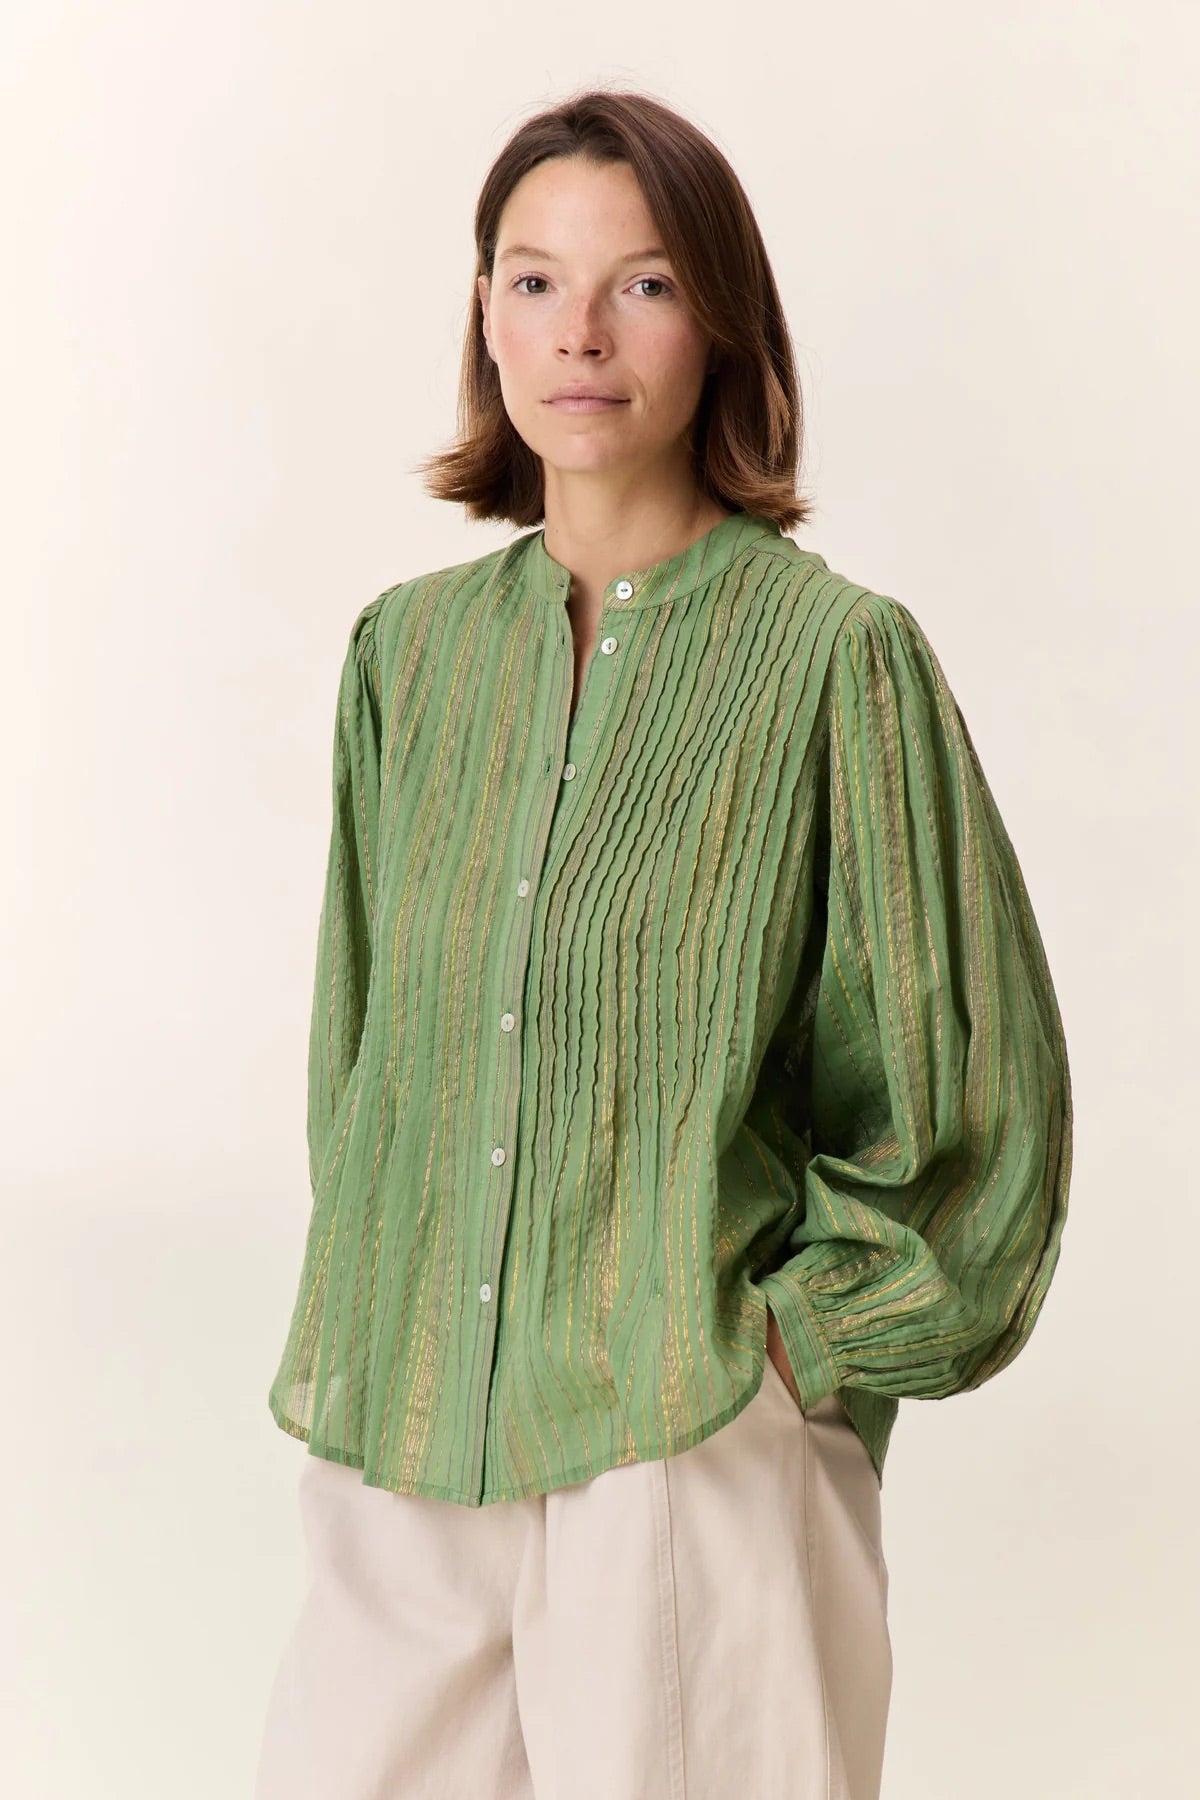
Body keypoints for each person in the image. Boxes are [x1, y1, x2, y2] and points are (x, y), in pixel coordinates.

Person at [253, 87, 1073, 1800]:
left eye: (641, 284)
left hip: (687, 1446)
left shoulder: (833, 662)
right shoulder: (407, 661)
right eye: (534, 281)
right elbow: (363, 1061)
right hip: (409, 1445)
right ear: (484, 317)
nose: (581, 333)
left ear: (720, 319)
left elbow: (964, 1100)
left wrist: (800, 1347)